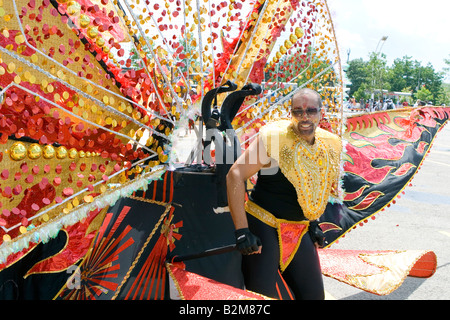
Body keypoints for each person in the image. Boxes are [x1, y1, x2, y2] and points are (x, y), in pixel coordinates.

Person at [226, 88, 342, 300]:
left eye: (311, 110)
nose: (304, 117)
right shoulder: (274, 138)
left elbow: (315, 185)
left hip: (299, 229)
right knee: (262, 299)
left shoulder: (330, 144)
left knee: (315, 297)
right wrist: (242, 230)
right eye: (298, 111)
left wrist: (314, 221)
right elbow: (235, 174)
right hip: (264, 224)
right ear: (291, 113)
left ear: (321, 113)